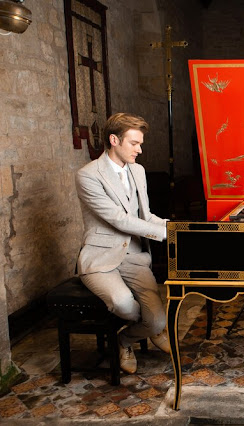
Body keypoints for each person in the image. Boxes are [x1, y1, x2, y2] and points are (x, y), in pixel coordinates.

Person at [76, 112, 170, 374]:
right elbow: (119, 220)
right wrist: (164, 235)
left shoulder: (138, 171)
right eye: (134, 143)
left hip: (135, 256)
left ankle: (124, 339)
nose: (140, 150)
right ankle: (153, 329)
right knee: (122, 303)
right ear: (114, 140)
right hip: (101, 257)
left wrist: (176, 227)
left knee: (157, 318)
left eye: (140, 143)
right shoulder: (88, 175)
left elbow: (145, 215)